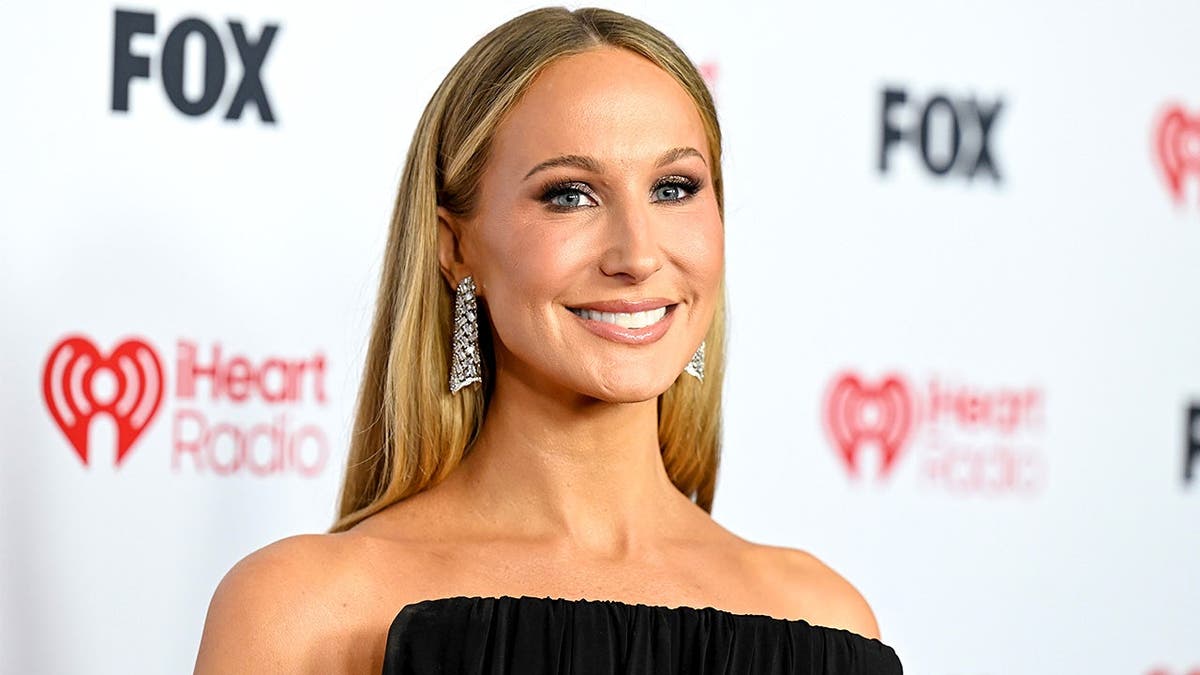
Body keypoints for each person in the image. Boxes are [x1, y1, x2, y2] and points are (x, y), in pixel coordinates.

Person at [194, 6, 903, 674]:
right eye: (570, 194)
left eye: (675, 188)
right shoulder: (302, 614)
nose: (637, 253)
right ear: (454, 245)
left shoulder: (824, 620)